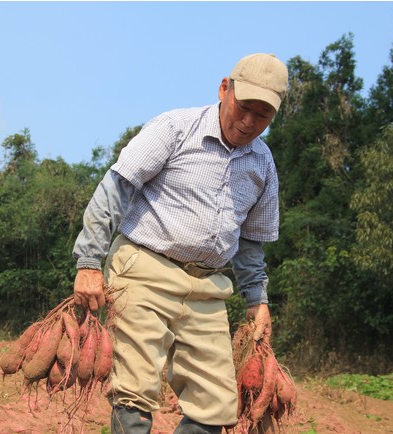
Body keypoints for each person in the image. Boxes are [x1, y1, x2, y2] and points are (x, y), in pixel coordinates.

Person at [72, 53, 288, 434]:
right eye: (244, 107)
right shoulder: (175, 128)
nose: (249, 122)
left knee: (215, 409)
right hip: (143, 270)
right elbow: (114, 190)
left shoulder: (263, 164)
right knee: (135, 392)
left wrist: (258, 301)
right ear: (225, 89)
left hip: (207, 287)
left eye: (262, 116)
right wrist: (89, 261)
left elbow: (251, 244)